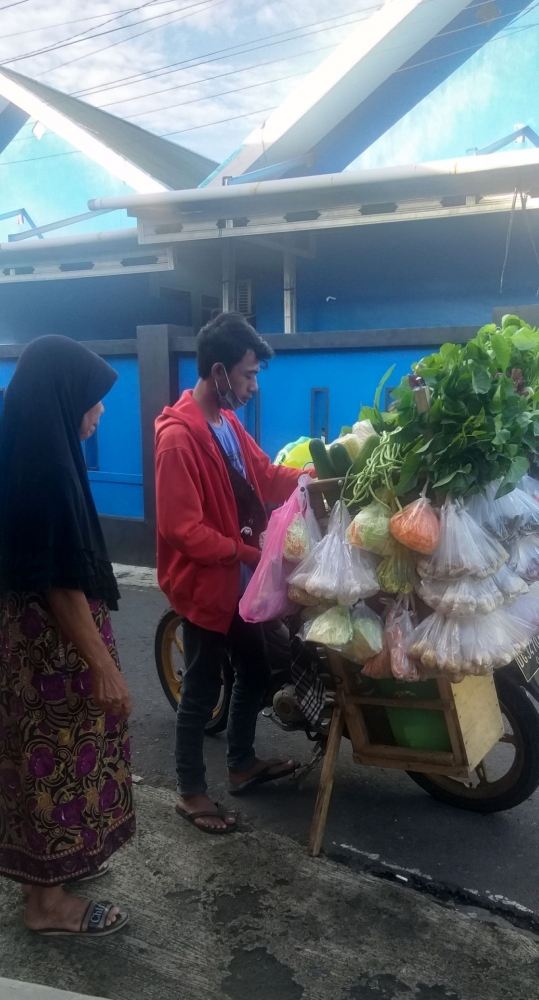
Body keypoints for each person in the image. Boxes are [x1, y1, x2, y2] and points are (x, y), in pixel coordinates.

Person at [0, 336, 134, 937]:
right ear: (62, 396)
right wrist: (102, 663)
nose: (100, 411)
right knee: (53, 764)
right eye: (93, 399)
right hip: (50, 652)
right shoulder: (47, 468)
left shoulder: (26, 450)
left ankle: (48, 874)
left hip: (32, 649)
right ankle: (47, 905)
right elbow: (58, 582)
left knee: (41, 766)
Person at [155, 312, 307, 834]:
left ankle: (241, 765)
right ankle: (190, 792)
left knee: (257, 671)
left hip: (240, 584)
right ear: (219, 373)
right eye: (248, 375)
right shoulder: (179, 438)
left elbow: (264, 474)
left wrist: (312, 479)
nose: (253, 386)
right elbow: (183, 530)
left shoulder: (227, 423)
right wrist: (247, 554)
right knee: (199, 689)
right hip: (206, 586)